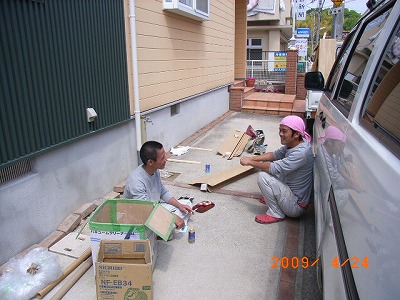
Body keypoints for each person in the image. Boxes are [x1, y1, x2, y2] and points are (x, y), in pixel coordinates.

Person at [240, 115, 314, 224]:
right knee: (268, 166)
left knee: (263, 176)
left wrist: (250, 162)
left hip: (295, 207)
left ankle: (276, 213)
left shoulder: (300, 153)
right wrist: (252, 158)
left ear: (296, 134)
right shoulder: (295, 144)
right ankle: (274, 199)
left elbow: (274, 168)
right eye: (280, 130)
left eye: (284, 131)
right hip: (291, 194)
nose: (280, 134)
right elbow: (274, 155)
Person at [123, 141, 193, 229]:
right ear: (150, 162)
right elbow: (145, 210)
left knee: (186, 204)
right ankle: (166, 230)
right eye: (162, 157)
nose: (166, 159)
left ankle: (174, 225)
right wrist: (172, 217)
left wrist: (179, 205)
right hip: (142, 216)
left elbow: (162, 192)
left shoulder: (155, 170)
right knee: (170, 226)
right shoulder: (136, 182)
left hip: (155, 207)